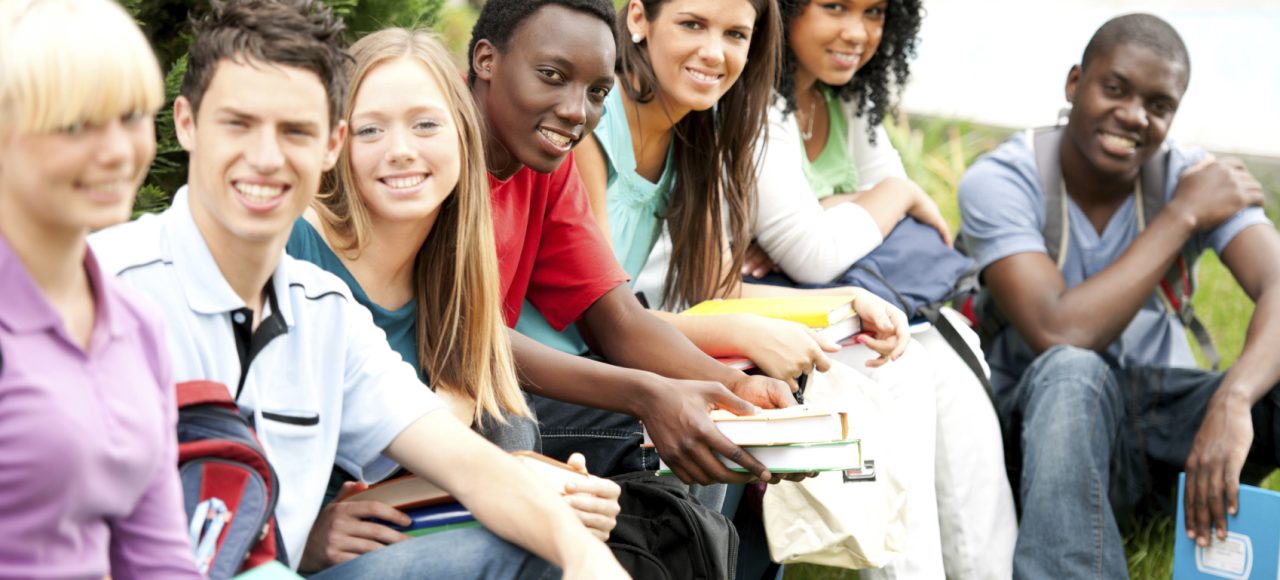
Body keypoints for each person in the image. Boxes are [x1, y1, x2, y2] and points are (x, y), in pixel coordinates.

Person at [89, 1, 627, 578]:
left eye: (296, 130)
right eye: (237, 124)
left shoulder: (325, 311)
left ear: (328, 145)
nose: (267, 158)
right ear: (187, 124)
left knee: (540, 538)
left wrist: (579, 548)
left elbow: (468, 463)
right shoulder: (107, 289)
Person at [958, 13, 1280, 579]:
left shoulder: (1190, 174)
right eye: (1115, 89)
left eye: (1159, 105)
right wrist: (1181, 216)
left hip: (1162, 432)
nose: (1134, 116)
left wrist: (1234, 399)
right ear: (1075, 83)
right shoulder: (1004, 179)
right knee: (1071, 369)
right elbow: (1060, 330)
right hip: (1039, 439)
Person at [287, 28, 622, 568]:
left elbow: (477, 443)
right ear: (336, 144)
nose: (401, 151)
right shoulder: (294, 253)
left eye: (425, 125)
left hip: (401, 532)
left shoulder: (454, 271)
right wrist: (300, 537)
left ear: (463, 137)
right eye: (370, 129)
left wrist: (558, 492)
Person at [465, 0, 800, 488]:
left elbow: (615, 316)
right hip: (433, 392)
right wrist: (648, 393)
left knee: (716, 420)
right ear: (486, 60)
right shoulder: (438, 146)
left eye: (597, 91)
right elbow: (468, 339)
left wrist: (736, 388)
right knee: (514, 423)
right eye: (552, 75)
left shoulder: (544, 159)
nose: (575, 111)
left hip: (507, 379)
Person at [735, 0, 1018, 577]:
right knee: (900, 367)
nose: (855, 32)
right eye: (834, 7)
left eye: (874, 12)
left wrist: (834, 208)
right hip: (767, 314)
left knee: (955, 365)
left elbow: (840, 233)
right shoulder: (758, 102)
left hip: (841, 308)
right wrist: (899, 196)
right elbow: (815, 255)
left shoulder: (845, 97)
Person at [0, 0, 200, 576]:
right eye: (75, 125)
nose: (116, 150)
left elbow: (158, 556)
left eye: (133, 115)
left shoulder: (137, 324)